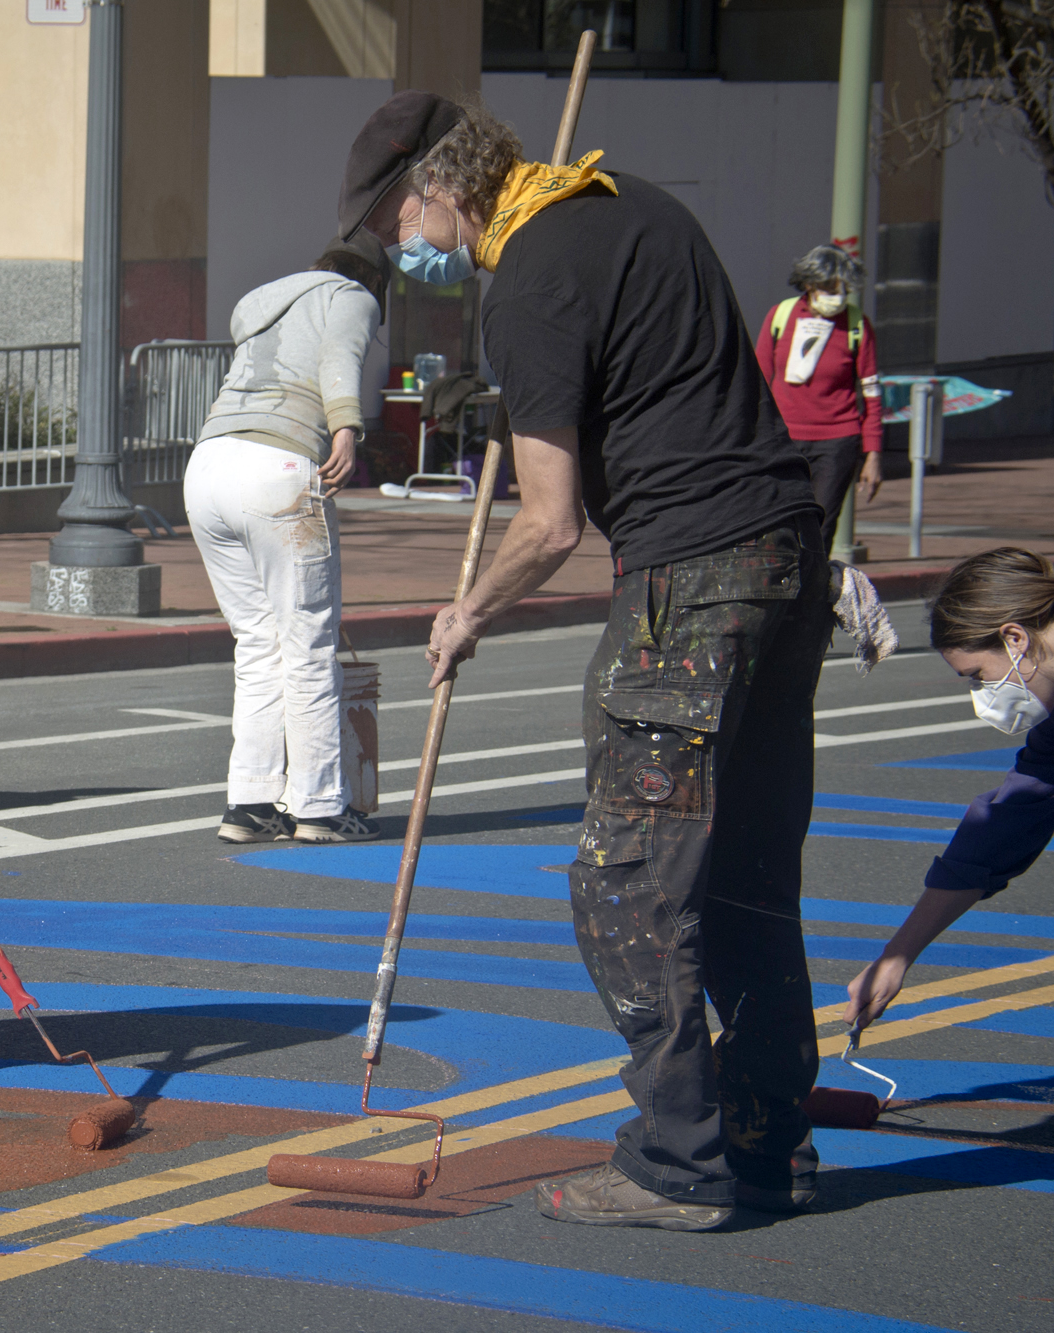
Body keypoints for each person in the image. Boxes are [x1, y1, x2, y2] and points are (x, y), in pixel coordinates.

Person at [341, 92, 831, 1228]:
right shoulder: (631, 206)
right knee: (749, 872)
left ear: (438, 191)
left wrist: (465, 612)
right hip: (783, 555)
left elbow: (548, 521)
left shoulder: (527, 276)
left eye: (393, 221)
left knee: (631, 880)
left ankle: (678, 1158)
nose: (400, 248)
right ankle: (765, 1137)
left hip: (687, 580)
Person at [187, 236, 387, 845]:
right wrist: (347, 428)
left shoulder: (264, 303)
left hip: (208, 466)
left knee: (257, 643)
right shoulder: (350, 295)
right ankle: (322, 808)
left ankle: (250, 805)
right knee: (306, 643)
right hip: (277, 468)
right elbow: (341, 355)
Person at [844, 549, 1054, 1028]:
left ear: (1015, 638)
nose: (982, 696)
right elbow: (1000, 828)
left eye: (977, 676)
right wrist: (897, 955)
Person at [755, 244, 885, 555]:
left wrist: (873, 454)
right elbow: (757, 380)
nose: (837, 295)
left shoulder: (856, 325)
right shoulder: (781, 316)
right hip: (784, 439)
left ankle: (810, 596)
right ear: (810, 284)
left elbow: (872, 394)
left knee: (820, 527)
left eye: (844, 288)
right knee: (778, 523)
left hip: (837, 442)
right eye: (829, 287)